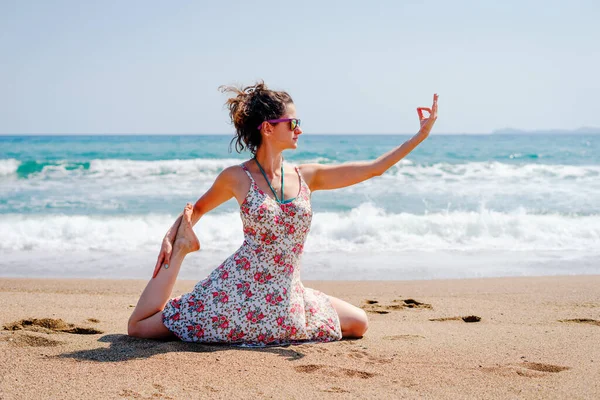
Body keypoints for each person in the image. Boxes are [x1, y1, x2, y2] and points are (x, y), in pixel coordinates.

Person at [127, 82, 438, 345]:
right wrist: (172, 237)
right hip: (237, 293)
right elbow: (197, 209)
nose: (299, 129)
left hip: (288, 294)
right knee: (140, 328)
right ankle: (183, 249)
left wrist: (419, 137)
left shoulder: (307, 176)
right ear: (267, 128)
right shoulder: (237, 177)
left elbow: (374, 169)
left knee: (359, 323)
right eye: (292, 123)